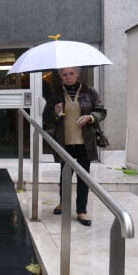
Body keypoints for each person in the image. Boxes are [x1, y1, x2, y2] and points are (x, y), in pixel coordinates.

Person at [43, 67, 106, 226]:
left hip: (85, 143)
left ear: (78, 74)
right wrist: (56, 114)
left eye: (71, 74)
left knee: (83, 178)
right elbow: (47, 118)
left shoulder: (89, 92)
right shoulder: (56, 94)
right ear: (60, 76)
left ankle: (81, 211)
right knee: (65, 176)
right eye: (64, 74)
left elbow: (101, 111)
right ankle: (63, 203)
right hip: (64, 143)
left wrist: (90, 117)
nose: (68, 77)